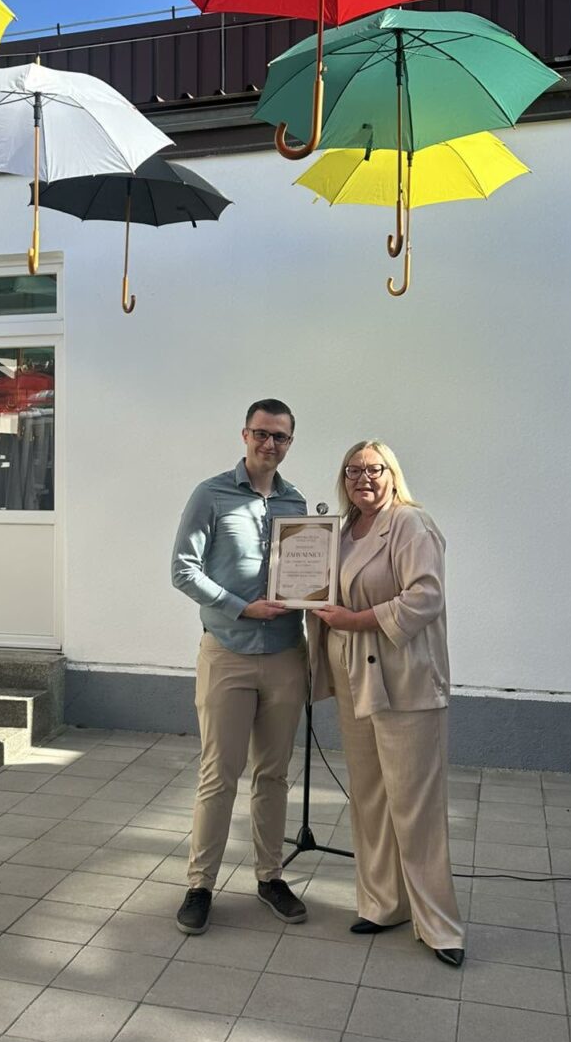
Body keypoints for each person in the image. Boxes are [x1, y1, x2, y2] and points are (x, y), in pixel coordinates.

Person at [308, 440, 465, 967]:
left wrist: (355, 620)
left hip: (404, 679)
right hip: (353, 675)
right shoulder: (341, 530)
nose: (363, 479)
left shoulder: (410, 524)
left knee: (415, 803)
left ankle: (439, 924)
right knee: (370, 794)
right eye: (352, 471)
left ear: (392, 474)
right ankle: (383, 903)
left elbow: (426, 596)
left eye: (373, 469)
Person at [171, 399, 310, 934]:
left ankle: (270, 877)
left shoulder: (297, 503)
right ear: (245, 434)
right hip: (227, 653)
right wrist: (241, 607)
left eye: (280, 437)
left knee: (273, 775)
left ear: (290, 443)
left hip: (285, 656)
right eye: (261, 433)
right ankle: (200, 885)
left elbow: (307, 573)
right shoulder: (210, 495)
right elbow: (183, 570)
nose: (269, 444)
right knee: (218, 775)